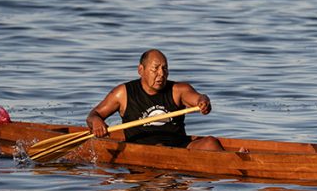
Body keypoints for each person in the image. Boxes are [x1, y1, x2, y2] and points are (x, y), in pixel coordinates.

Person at [86, 49, 225, 151]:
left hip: (179, 146)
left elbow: (199, 98)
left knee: (210, 143)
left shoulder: (178, 90)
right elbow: (93, 115)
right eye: (155, 69)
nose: (161, 74)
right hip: (142, 149)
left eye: (165, 69)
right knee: (160, 148)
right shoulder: (123, 93)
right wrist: (97, 121)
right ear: (141, 70)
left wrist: (204, 102)